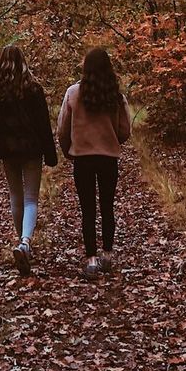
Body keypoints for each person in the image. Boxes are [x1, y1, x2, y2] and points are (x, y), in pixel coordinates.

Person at [57, 47, 131, 280]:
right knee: (107, 206)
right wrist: (111, 141)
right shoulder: (116, 96)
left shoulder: (73, 93)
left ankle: (90, 259)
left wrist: (69, 149)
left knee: (87, 209)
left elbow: (62, 128)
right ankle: (107, 254)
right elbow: (125, 130)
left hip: (83, 158)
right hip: (108, 158)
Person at [0, 44, 57, 276]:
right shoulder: (33, 88)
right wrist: (50, 152)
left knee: (15, 196)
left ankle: (21, 243)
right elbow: (43, 124)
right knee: (30, 198)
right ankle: (25, 242)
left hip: (7, 151)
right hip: (31, 149)